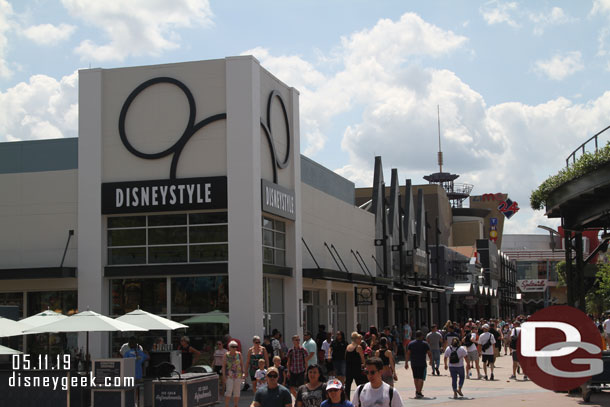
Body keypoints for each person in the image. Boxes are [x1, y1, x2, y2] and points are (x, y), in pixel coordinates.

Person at [405, 330, 432, 399]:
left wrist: (406, 362)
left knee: (415, 377)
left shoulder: (411, 344)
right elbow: (429, 353)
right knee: (421, 378)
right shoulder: (425, 344)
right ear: (421, 336)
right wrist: (431, 360)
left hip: (414, 363)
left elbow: (408, 353)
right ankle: (419, 392)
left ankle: (417, 391)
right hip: (422, 363)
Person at [123, 337, 149, 406]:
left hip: (129, 375)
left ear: (129, 345)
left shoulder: (127, 353)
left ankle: (132, 403)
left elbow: (123, 363)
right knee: (137, 391)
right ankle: (137, 403)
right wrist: (145, 352)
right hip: (139, 376)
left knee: (129, 391)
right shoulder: (140, 353)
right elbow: (148, 357)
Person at [222, 340, 245, 407]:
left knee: (237, 391)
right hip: (229, 375)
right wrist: (223, 376)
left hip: (238, 375)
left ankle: (236, 405)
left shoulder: (239, 354)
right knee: (229, 390)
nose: (235, 348)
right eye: (233, 347)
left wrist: (243, 373)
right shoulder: (226, 355)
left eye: (236, 347)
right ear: (229, 347)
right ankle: (226, 405)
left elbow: (241, 364)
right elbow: (223, 366)